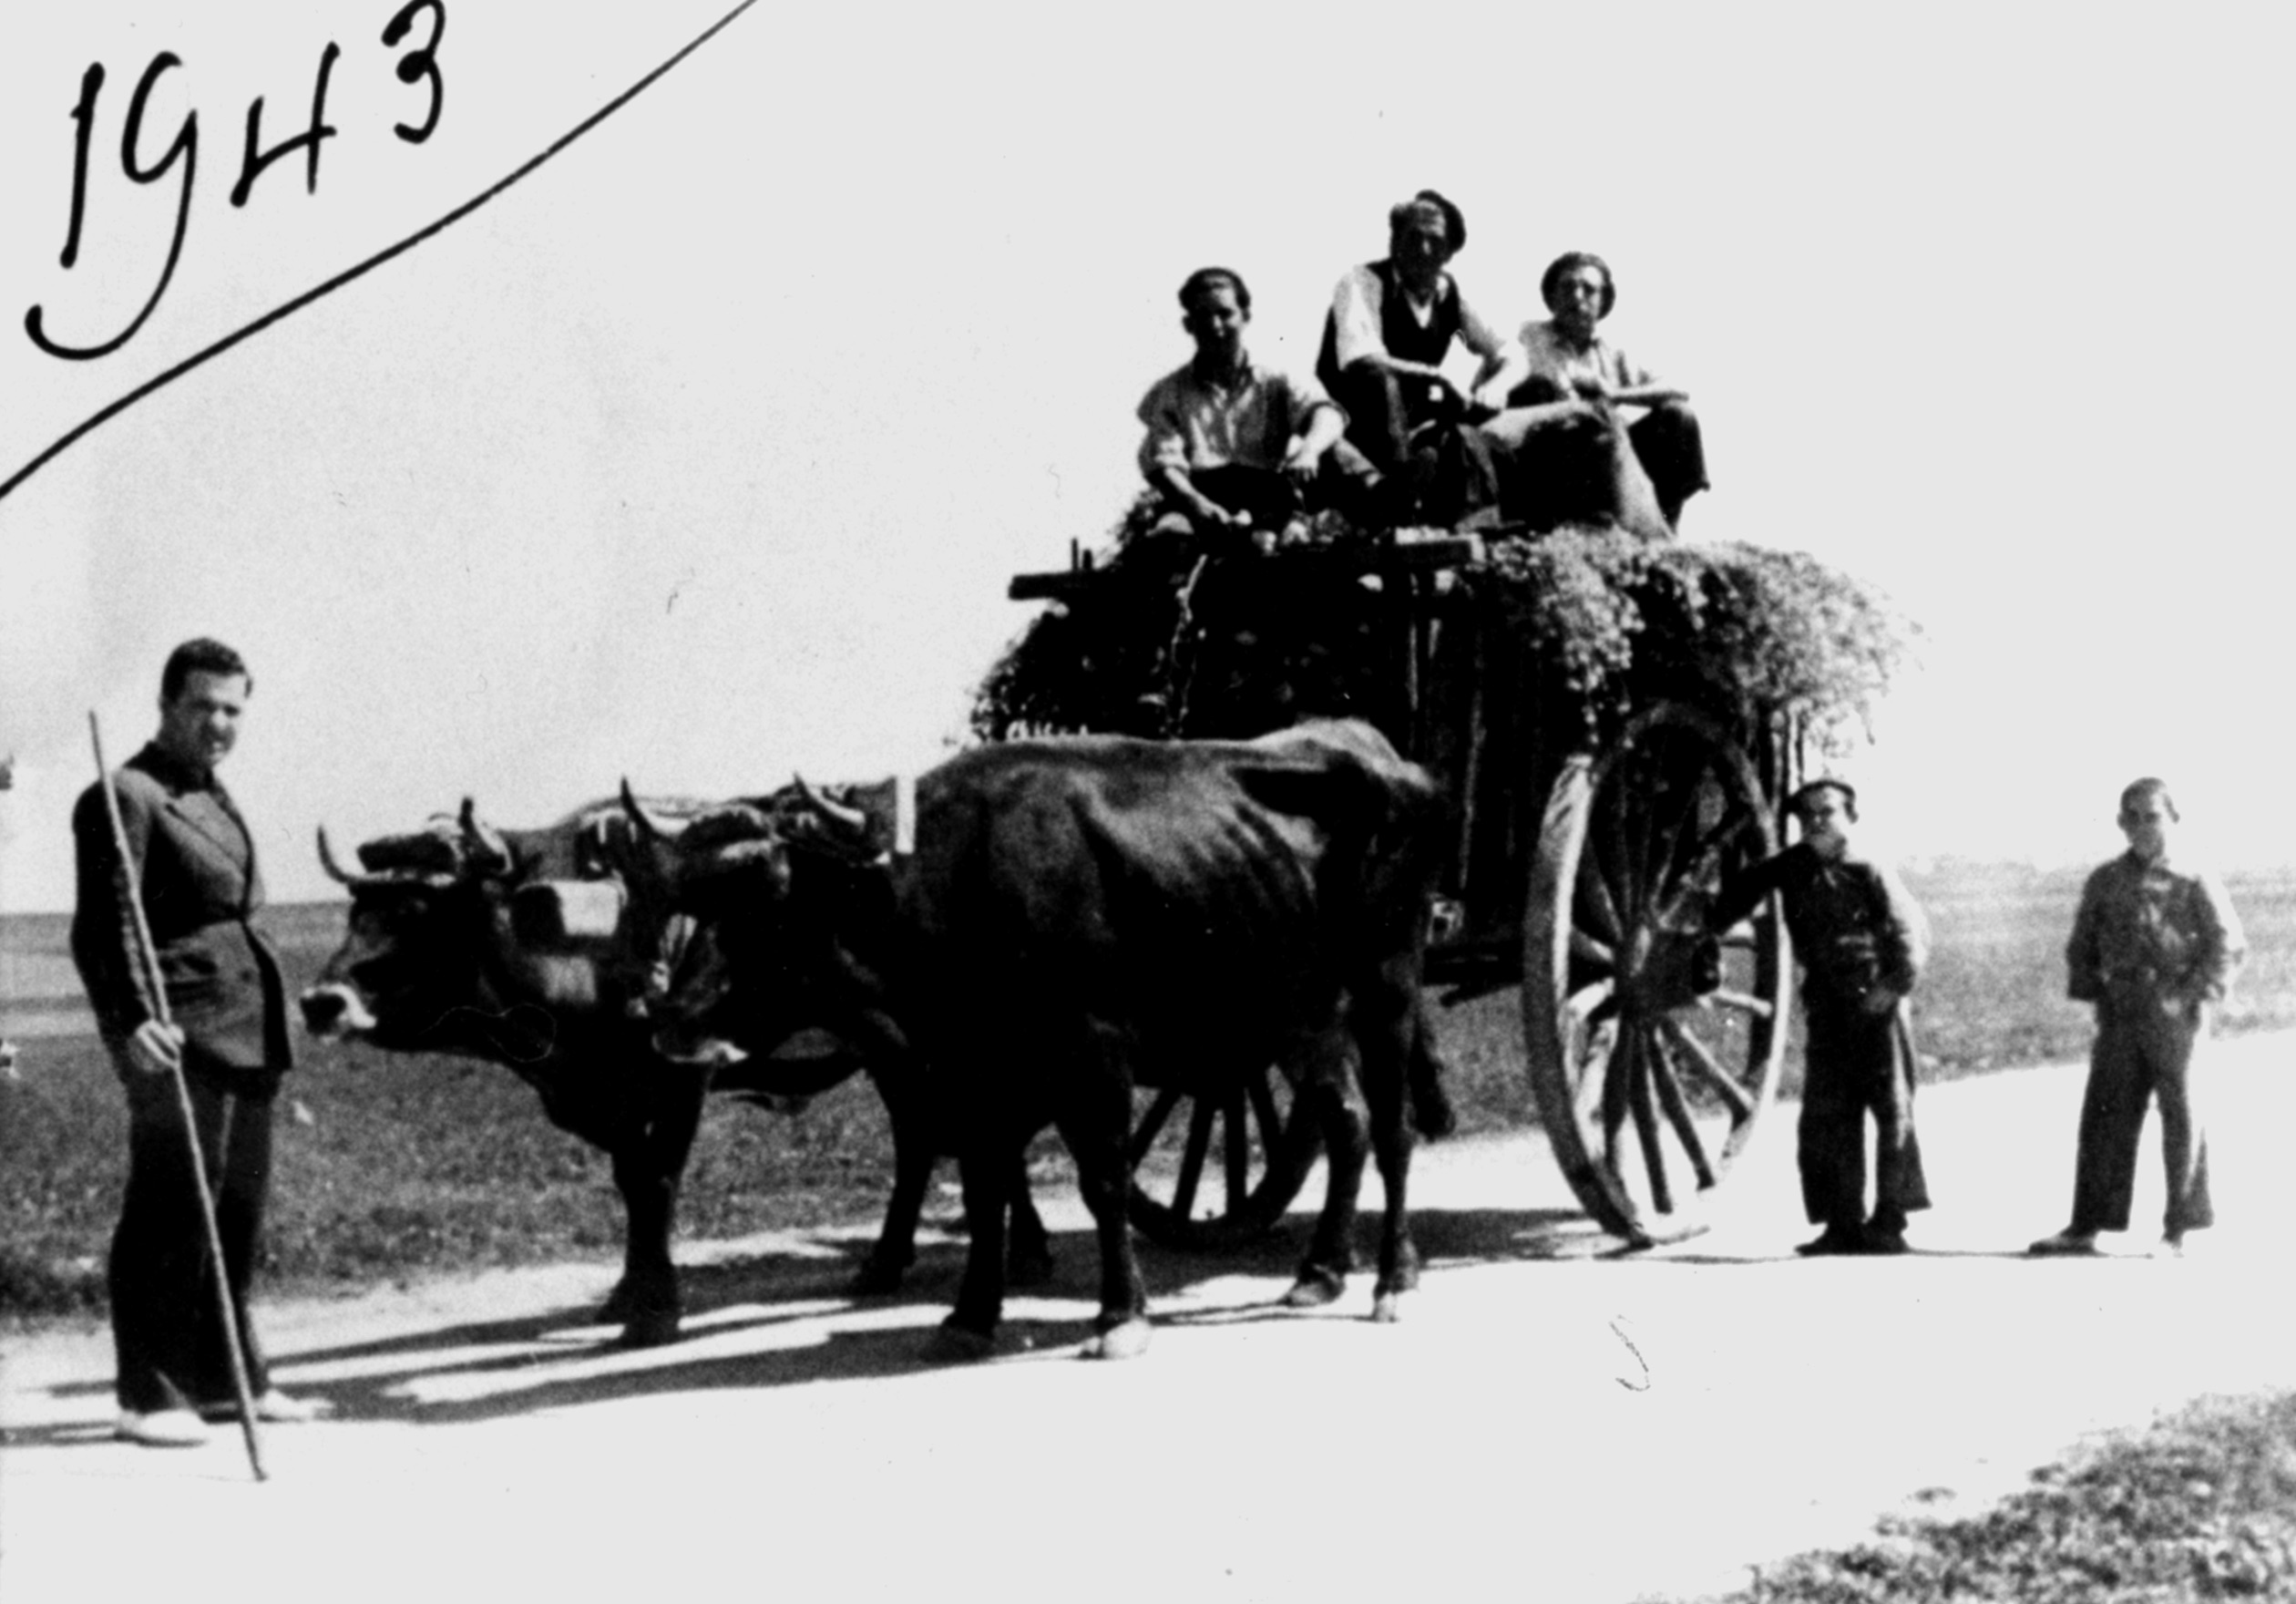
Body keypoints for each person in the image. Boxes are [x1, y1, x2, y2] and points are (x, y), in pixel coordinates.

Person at [71, 638, 323, 1446]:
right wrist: (130, 1020)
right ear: (166, 705)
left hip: (248, 1029)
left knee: (237, 1208)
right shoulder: (125, 796)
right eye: (202, 706)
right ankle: (148, 1391)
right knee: (171, 1208)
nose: (218, 723)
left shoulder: (214, 794)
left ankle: (225, 1379)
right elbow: (104, 929)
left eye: (232, 710)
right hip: (179, 1032)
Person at [1710, 780, 1932, 1254]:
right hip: (1828, 1004)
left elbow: (1910, 932)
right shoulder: (1794, 866)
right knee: (1827, 1114)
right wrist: (1704, 926)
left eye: (1827, 812)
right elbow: (1744, 888)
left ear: (1850, 817)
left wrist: (1892, 986)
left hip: (1875, 999)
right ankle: (1841, 1223)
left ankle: (1890, 1222)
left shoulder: (1868, 867)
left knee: (1892, 1109)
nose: (1815, 821)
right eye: (1807, 814)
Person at [2029, 779, 2243, 1260]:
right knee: (2105, 1114)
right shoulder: (2106, 880)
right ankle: (2086, 1225)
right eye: (2134, 816)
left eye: (2153, 816)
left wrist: (2192, 995)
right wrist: (2096, 993)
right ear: (2121, 823)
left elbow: (2227, 944)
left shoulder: (2194, 877)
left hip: (2175, 1012)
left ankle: (2178, 1230)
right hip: (2121, 1012)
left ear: (2173, 819)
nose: (2144, 826)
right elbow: (2081, 945)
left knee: (2181, 1116)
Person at [1315, 190, 1521, 523]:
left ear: (1451, 251)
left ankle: (1495, 511)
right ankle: (1399, 498)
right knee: (1382, 381)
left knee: (1519, 398)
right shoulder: (1362, 281)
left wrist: (1497, 384)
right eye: (1413, 238)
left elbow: (1511, 351)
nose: (1424, 250)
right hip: (1353, 422)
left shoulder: (1451, 293)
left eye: (1436, 241)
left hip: (1411, 425)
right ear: (1394, 241)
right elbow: (1362, 360)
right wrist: (1435, 376)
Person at [1136, 266, 1370, 541]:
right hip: (1195, 500)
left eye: (1225, 314)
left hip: (1265, 493)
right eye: (1203, 317)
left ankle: (1383, 498)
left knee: (1330, 455)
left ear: (1245, 317)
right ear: (1189, 325)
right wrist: (1197, 505)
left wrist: (1309, 451)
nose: (1215, 327)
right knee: (1169, 538)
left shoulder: (1275, 377)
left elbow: (1326, 413)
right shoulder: (1169, 392)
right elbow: (1164, 465)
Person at [1486, 252, 1709, 534]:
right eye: (1567, 287)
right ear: (1551, 296)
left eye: (1589, 290)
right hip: (1548, 461)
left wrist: (1615, 394)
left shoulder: (1616, 349)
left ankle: (1661, 525)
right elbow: (1489, 396)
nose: (1577, 296)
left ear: (1603, 300)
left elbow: (1678, 388)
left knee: (1678, 416)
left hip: (1608, 462)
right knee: (1537, 390)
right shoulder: (1526, 337)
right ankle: (1546, 523)